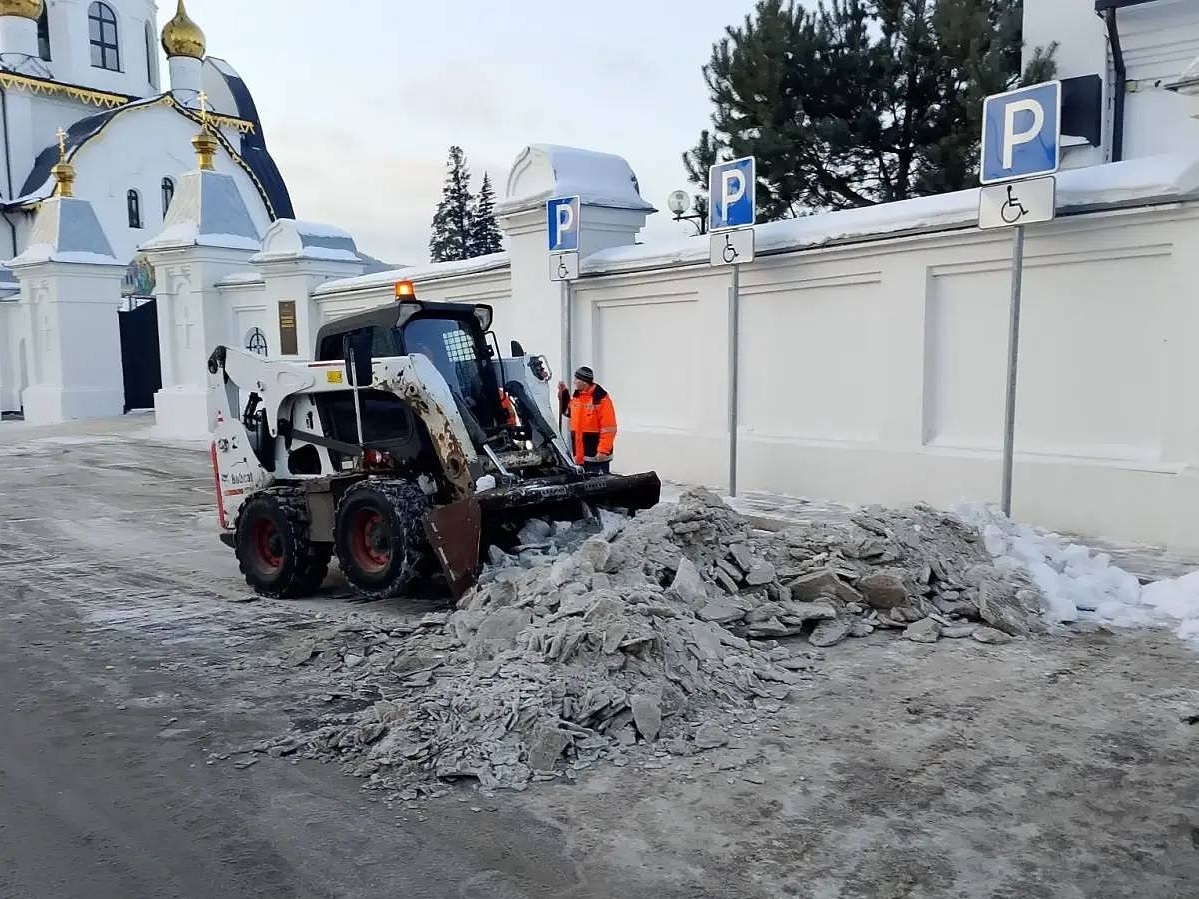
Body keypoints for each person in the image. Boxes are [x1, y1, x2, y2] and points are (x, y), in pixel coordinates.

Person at [558, 365, 618, 474]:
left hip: (597, 458)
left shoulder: (601, 400)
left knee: (599, 483)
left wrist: (603, 450)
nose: (574, 382)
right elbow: (568, 412)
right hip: (580, 457)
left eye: (577, 379)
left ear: (584, 382)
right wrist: (564, 394)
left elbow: (609, 429)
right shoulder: (577, 398)